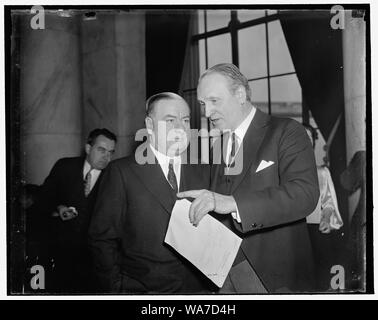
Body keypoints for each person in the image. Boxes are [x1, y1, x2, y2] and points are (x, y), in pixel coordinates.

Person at [177, 63, 319, 293]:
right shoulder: (218, 146)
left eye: (214, 101)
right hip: (224, 273)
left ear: (240, 94)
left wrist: (232, 203)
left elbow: (305, 194)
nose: (206, 113)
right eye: (203, 104)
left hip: (274, 278)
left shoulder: (286, 131)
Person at [88, 92, 214, 293]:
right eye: (170, 120)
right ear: (150, 125)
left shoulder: (205, 171)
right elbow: (102, 239)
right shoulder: (122, 172)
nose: (180, 128)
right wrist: (117, 289)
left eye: (186, 120)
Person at [37, 128, 117, 293]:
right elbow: (43, 199)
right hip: (60, 252)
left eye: (110, 152)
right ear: (88, 148)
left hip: (94, 259)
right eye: (101, 150)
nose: (106, 157)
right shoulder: (64, 166)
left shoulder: (114, 177)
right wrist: (59, 208)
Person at [303, 123, 343, 291]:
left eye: (308, 137)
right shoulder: (282, 174)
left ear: (313, 142)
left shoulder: (322, 173)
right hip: (292, 235)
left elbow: (328, 203)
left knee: (321, 280)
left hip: (315, 231)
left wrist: (325, 219)